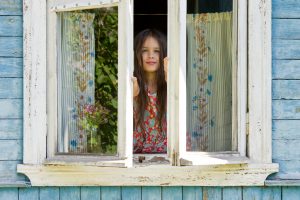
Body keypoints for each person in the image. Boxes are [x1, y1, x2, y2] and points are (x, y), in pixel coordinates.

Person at [132, 29, 168, 154]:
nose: (151, 55)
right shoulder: (133, 84)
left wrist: (171, 80)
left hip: (169, 153)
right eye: (144, 51)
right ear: (136, 54)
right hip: (137, 154)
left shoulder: (171, 85)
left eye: (157, 51)